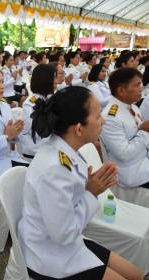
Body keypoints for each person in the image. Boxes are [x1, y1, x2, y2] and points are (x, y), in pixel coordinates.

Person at [18, 85, 143, 280]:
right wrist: (91, 193)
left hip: (67, 242)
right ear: (78, 128)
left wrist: (86, 188)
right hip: (51, 255)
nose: (103, 121)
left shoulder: (65, 148)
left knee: (135, 274)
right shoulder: (54, 169)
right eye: (97, 116)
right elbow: (63, 235)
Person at [101, 68, 149, 190]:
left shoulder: (132, 107)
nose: (141, 89)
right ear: (121, 90)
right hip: (132, 171)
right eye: (137, 85)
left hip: (143, 161)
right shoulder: (111, 117)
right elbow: (124, 154)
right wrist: (143, 131)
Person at [19, 64, 57, 160]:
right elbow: (40, 131)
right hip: (36, 150)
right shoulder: (30, 104)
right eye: (54, 78)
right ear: (44, 80)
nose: (56, 82)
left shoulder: (49, 98)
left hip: (49, 146)